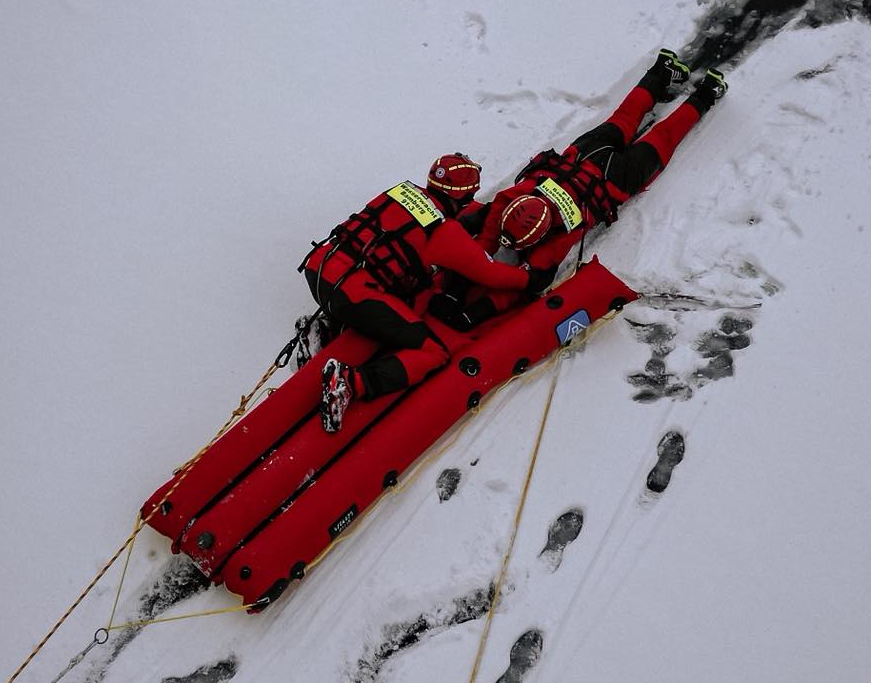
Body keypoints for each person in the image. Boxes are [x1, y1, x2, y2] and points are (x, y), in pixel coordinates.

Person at [458, 49, 727, 315]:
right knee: (625, 117)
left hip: (616, 179)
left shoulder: (555, 238)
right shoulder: (523, 192)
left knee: (663, 137)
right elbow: (492, 220)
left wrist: (473, 299)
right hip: (583, 154)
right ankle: (662, 71)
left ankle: (706, 93)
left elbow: (534, 279)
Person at [301, 153, 553, 431]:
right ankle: (351, 383)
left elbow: (405, 230)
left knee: (402, 286)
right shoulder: (443, 233)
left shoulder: (401, 191)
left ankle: (325, 330)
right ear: (466, 196)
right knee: (432, 350)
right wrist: (529, 279)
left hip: (320, 268)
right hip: (353, 294)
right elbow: (488, 271)